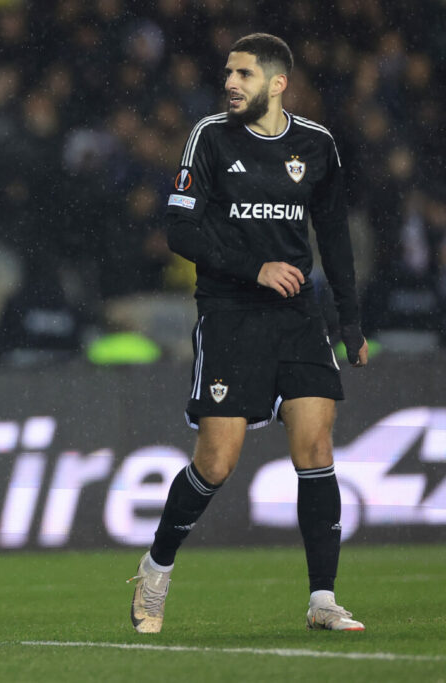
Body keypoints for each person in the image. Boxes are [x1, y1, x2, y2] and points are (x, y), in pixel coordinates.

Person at [128, 33, 368, 634]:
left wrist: (350, 321)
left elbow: (333, 235)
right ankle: (156, 569)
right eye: (227, 73)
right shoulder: (210, 137)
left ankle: (322, 599)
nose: (230, 83)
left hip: (297, 316)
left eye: (243, 74)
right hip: (231, 312)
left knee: (315, 449)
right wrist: (252, 268)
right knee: (217, 462)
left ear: (277, 82)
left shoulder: (316, 145)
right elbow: (179, 232)